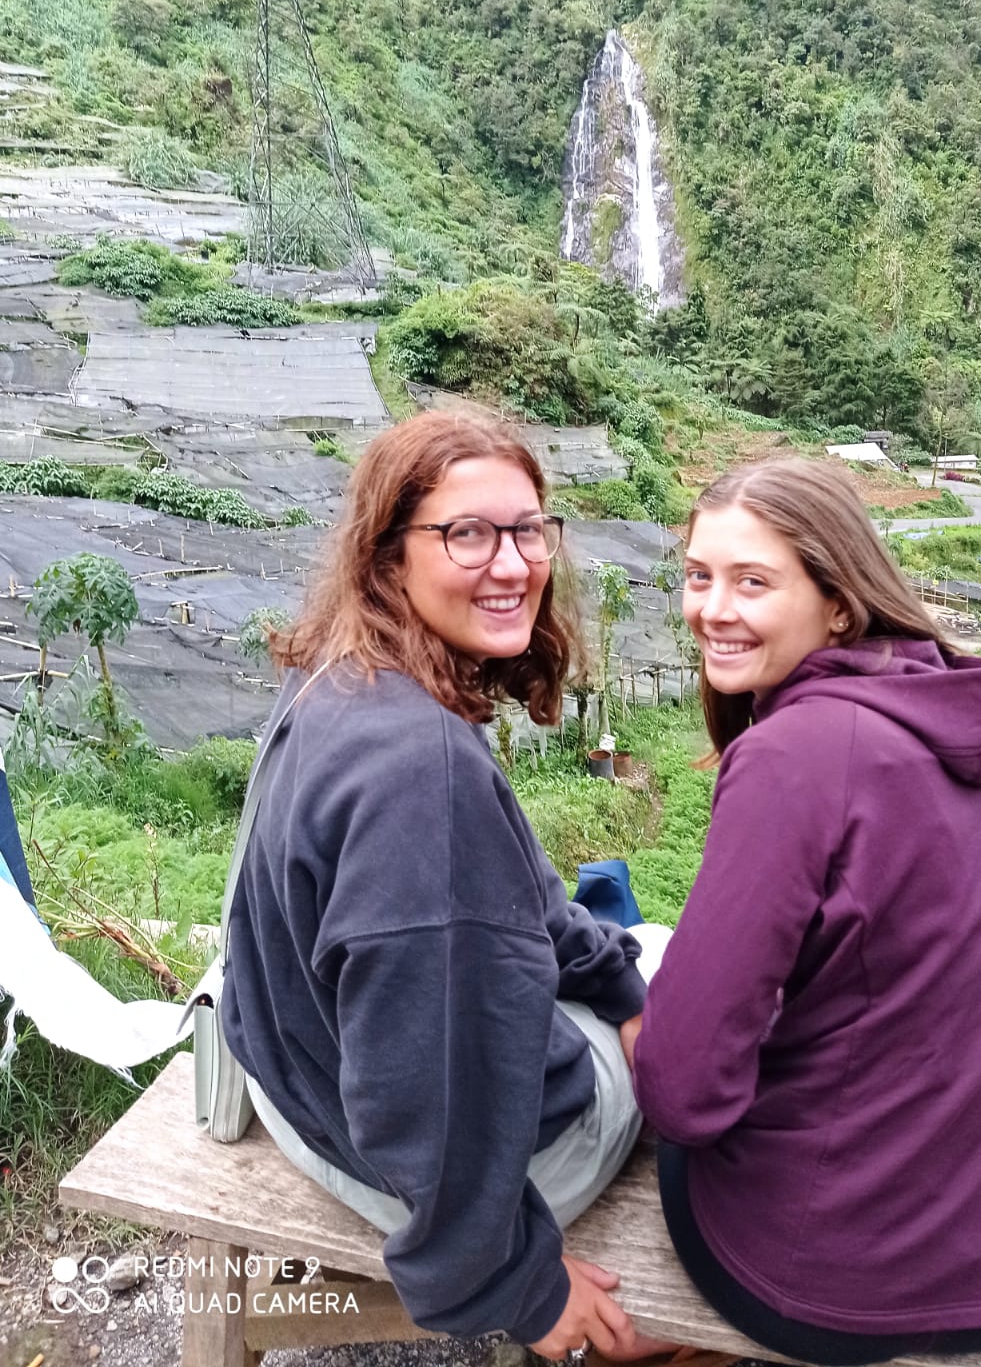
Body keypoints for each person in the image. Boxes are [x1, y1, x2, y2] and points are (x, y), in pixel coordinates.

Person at [624, 457, 981, 1367]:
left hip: (841, 1276)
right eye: (698, 576)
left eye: (753, 581)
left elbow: (684, 1091)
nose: (712, 609)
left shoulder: (797, 755)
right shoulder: (930, 709)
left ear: (837, 604)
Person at [221, 411, 652, 1358]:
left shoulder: (341, 669)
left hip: (295, 1081)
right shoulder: (427, 775)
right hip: (405, 1163)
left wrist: (609, 981)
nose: (511, 563)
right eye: (466, 533)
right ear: (390, 558)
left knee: (617, 960)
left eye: (527, 529)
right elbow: (430, 1086)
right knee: (673, 981)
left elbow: (506, 889)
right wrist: (518, 1285)